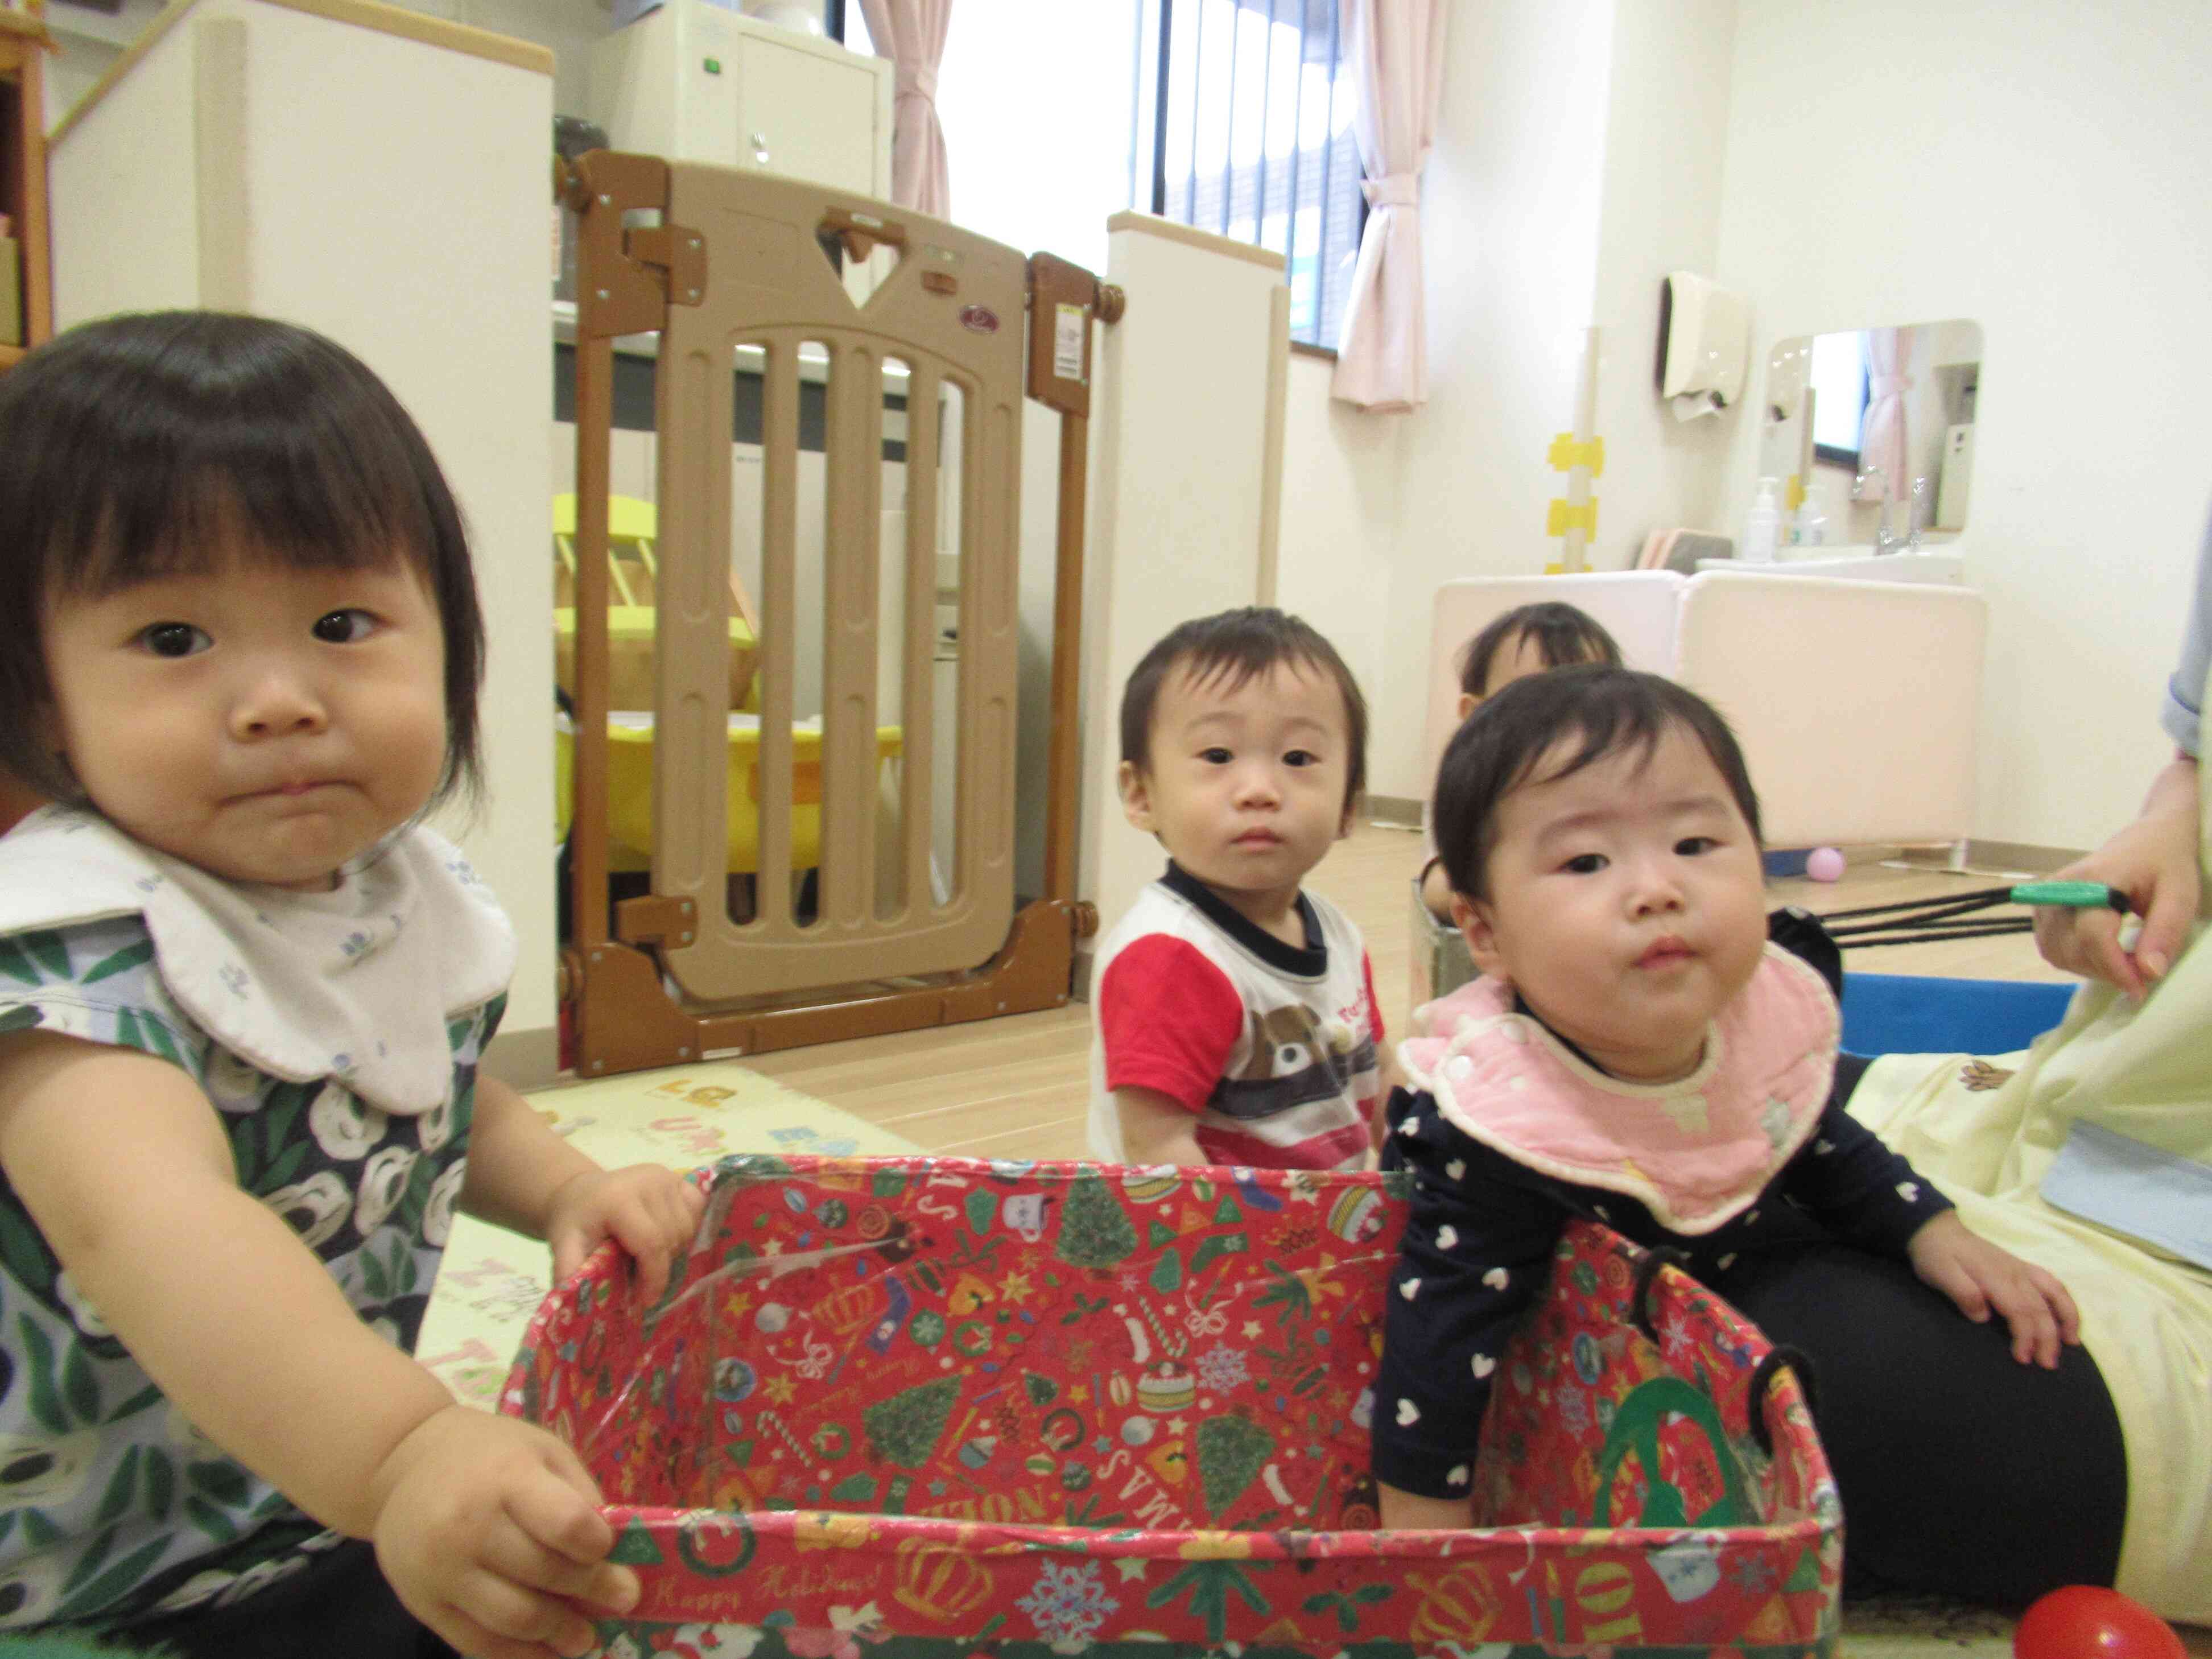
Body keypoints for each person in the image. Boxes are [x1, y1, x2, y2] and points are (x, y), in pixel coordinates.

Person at [0, 313, 705, 1658]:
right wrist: (403, 1456)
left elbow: (423, 1079)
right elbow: (164, 1227)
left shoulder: (377, 894)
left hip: (302, 1510)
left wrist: (564, 1185)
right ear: (37, 689)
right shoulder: (66, 959)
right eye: (170, 637)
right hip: (95, 1587)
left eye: (340, 622)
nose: (277, 697)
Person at [1373, 666, 2128, 1606]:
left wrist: (1932, 1230)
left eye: (1694, 843)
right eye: (1584, 863)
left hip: (1715, 1259)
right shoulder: (1498, 1118)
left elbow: (1812, 1140)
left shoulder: (1754, 1021)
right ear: (1483, 934)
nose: (1655, 888)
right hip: (1540, 1314)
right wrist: (1424, 1539)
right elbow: (1437, 1336)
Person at [1087, 608, 1386, 1170]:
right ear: (1142, 794)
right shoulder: (1171, 958)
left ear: (1349, 804)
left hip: (1328, 1230)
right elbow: (1158, 1150)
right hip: (1215, 1246)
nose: (1259, 790)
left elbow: (1377, 1075)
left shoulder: (1338, 932)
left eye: (1298, 758)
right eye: (1218, 757)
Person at [1417, 601, 1622, 922]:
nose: (1559, 718)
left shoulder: (1626, 783)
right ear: (1474, 716)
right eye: (1530, 699)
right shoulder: (1472, 790)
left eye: (1585, 697)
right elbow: (1436, 887)